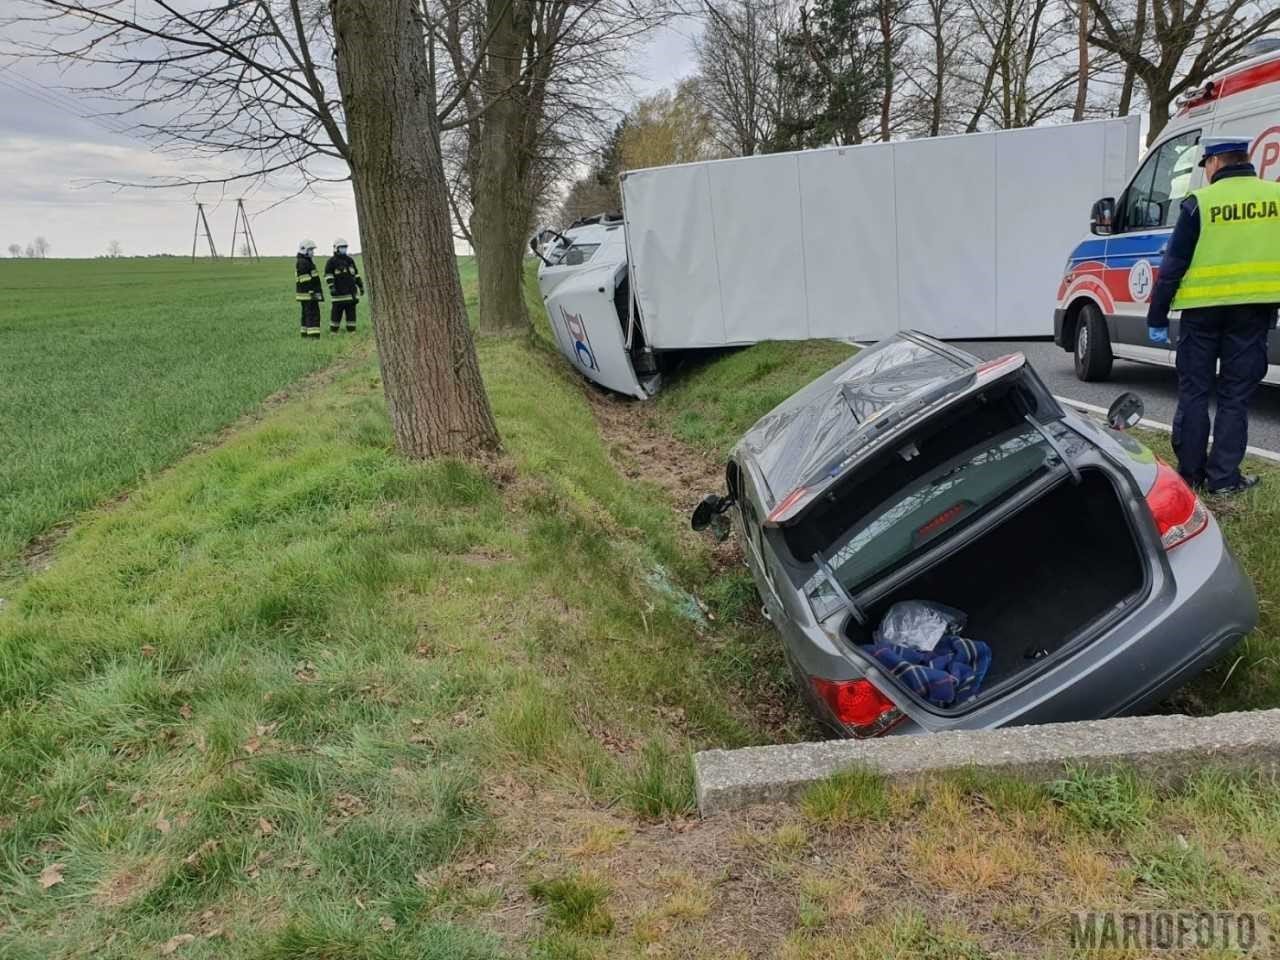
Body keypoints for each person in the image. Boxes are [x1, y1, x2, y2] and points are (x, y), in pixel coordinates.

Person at [1146, 137, 1280, 495]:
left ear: (1217, 162)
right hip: (1254, 313)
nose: (1204, 172)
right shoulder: (1275, 198)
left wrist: (1157, 316)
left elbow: (1173, 266)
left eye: (1204, 164)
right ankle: (1223, 479)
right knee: (1236, 396)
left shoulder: (1199, 203)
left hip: (1201, 315)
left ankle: (1189, 476)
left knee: (1194, 393)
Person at [324, 238, 365, 333]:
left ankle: (352, 332)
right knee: (336, 315)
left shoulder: (350, 260)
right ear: (336, 249)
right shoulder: (331, 262)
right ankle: (333, 333)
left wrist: (361, 286)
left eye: (345, 247)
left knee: (351, 315)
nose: (344, 249)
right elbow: (328, 275)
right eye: (342, 247)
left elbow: (356, 274)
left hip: (351, 296)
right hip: (338, 296)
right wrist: (332, 287)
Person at [295, 239, 323, 339]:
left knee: (306, 315)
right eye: (310, 249)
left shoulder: (305, 261)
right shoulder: (303, 263)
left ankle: (305, 334)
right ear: (304, 250)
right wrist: (312, 291)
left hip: (306, 295)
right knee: (313, 314)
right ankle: (313, 336)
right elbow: (305, 279)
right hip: (309, 295)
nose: (312, 252)